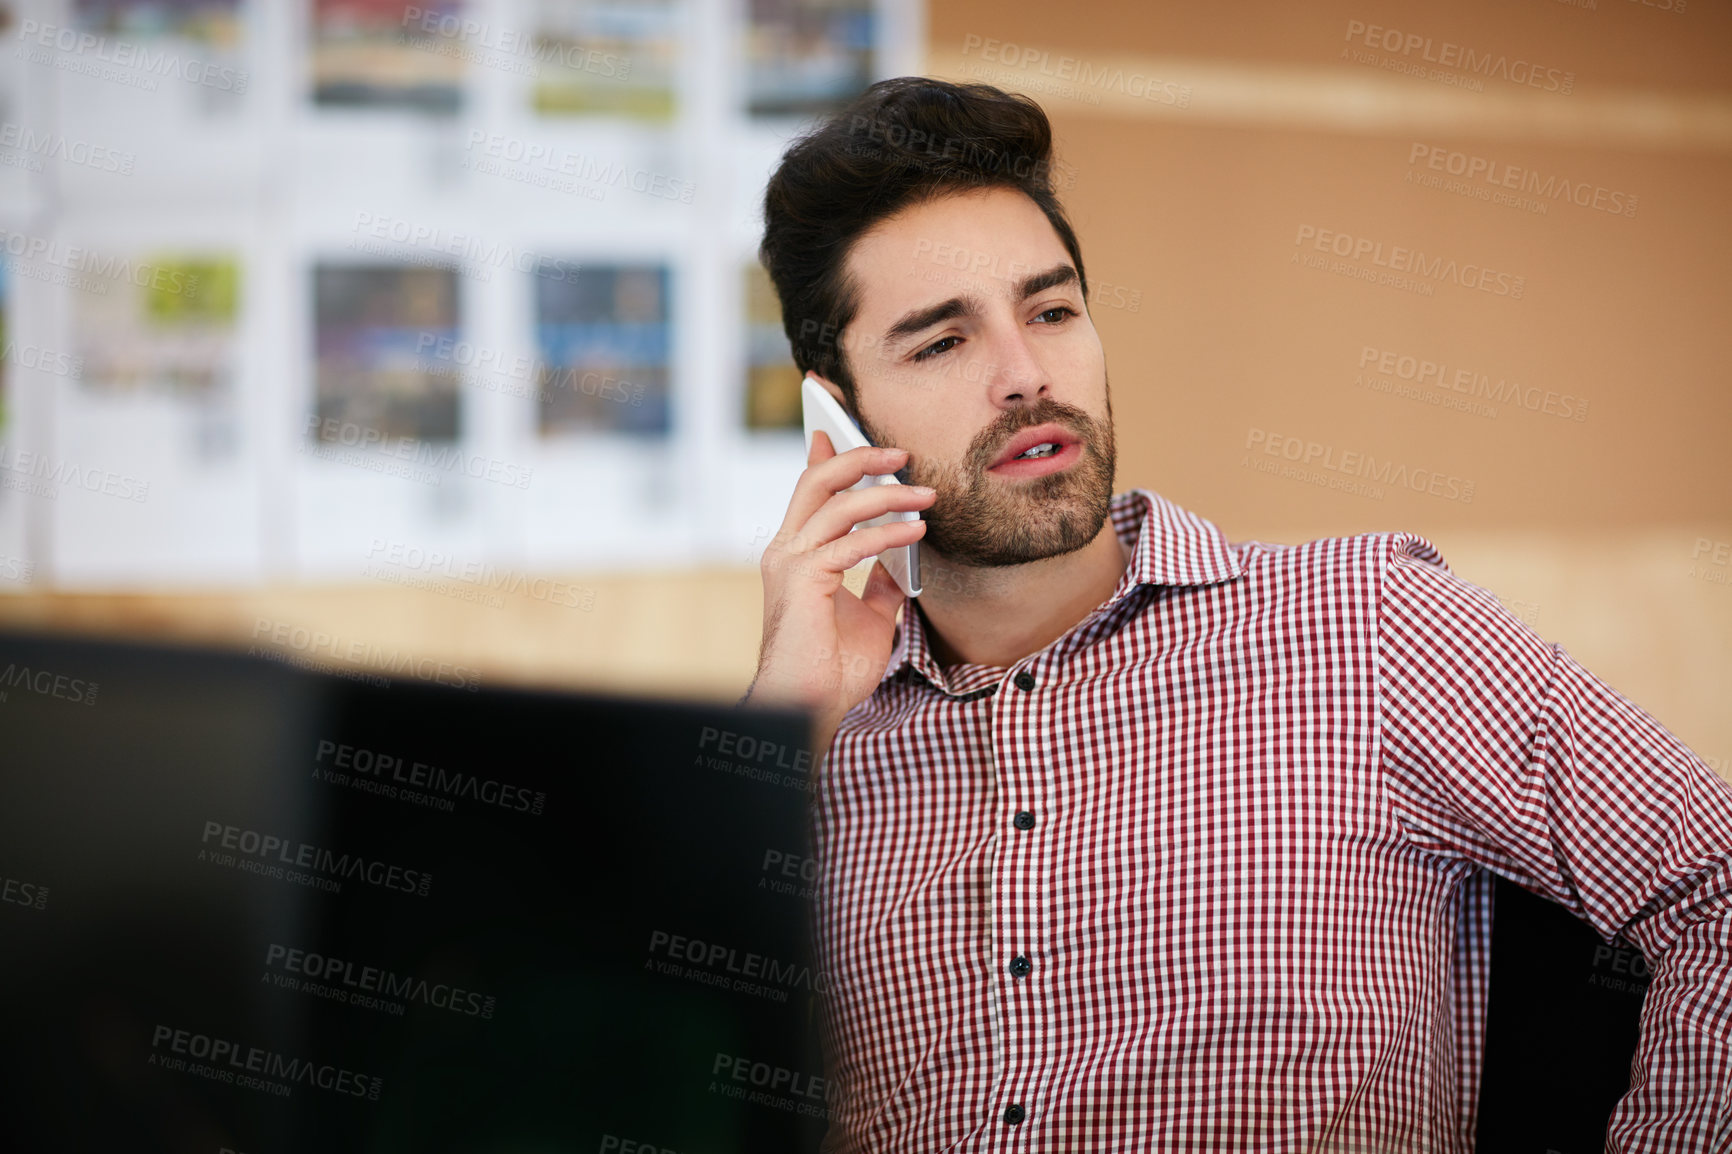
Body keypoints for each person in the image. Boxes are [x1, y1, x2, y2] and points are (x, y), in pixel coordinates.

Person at [741, 76, 1732, 1152]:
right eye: (942, 343)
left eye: (1052, 310)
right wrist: (774, 733)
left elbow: (1714, 881)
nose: (1025, 376)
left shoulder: (1375, 626)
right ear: (835, 417)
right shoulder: (810, 743)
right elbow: (614, 1048)